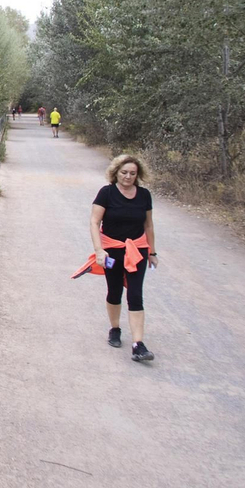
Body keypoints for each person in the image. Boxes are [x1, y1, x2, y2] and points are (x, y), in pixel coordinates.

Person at [90, 153, 158, 361]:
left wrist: (152, 252)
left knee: (136, 294)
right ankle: (115, 329)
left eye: (132, 173)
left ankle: (138, 344)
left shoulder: (144, 195)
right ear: (116, 173)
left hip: (137, 250)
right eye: (124, 172)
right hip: (112, 250)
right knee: (115, 291)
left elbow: (148, 225)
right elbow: (94, 222)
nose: (128, 177)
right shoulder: (106, 193)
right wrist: (99, 250)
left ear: (138, 175)